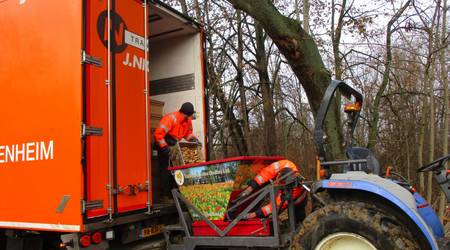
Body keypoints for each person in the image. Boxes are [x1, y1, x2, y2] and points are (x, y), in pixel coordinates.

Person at [154, 102, 199, 200]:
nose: (191, 117)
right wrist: (164, 147)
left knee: (176, 169)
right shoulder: (170, 119)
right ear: (186, 114)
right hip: (163, 143)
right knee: (166, 169)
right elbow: (158, 135)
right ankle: (165, 195)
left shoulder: (187, 121)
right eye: (190, 115)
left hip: (173, 144)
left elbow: (188, 134)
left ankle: (174, 195)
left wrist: (193, 139)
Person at [237, 160, 307, 222]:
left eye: (281, 182)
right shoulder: (285, 164)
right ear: (279, 173)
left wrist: (253, 215)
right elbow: (265, 174)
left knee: (297, 219)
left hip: (298, 202)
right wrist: (251, 187)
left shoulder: (295, 189)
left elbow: (274, 206)